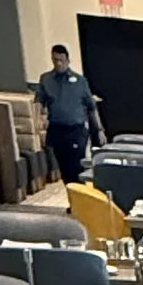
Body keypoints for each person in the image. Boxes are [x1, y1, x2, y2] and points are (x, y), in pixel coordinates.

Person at [34, 44, 103, 185]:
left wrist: (100, 130)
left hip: (76, 130)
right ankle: (72, 199)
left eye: (61, 60)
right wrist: (37, 123)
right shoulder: (46, 80)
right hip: (56, 130)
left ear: (67, 60)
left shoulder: (80, 81)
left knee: (77, 167)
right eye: (55, 60)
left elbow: (92, 107)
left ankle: (79, 200)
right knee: (64, 169)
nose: (58, 63)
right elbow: (38, 102)